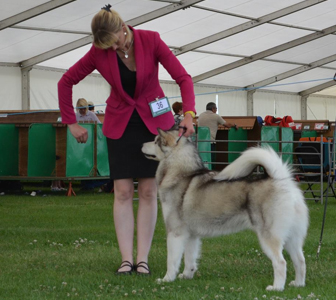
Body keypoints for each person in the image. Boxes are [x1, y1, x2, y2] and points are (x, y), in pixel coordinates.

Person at [57, 4, 195, 275]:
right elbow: (66, 81)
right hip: (119, 124)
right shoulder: (99, 51)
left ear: (123, 28)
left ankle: (142, 259)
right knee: (122, 192)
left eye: (114, 42)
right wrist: (70, 122)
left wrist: (189, 114)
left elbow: (183, 78)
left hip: (153, 124)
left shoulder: (151, 40)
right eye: (105, 45)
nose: (112, 49)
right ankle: (125, 259)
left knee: (148, 191)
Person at [197, 102, 236, 169]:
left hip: (200, 142)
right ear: (213, 108)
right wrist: (234, 125)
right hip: (210, 141)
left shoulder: (201, 115)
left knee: (202, 159)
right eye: (216, 108)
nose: (216, 110)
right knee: (211, 159)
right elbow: (227, 125)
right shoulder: (215, 116)